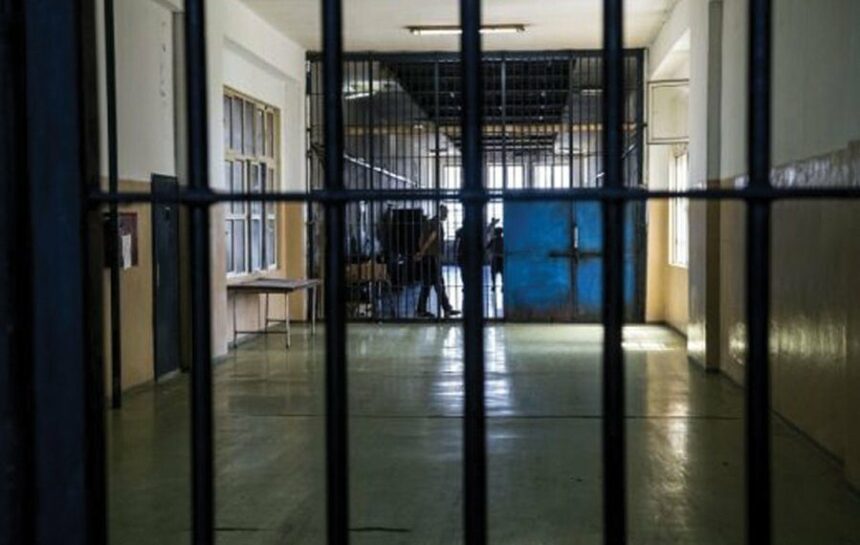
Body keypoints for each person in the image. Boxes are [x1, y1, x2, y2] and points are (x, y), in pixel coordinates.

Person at [414, 205, 460, 319]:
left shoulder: (428, 223)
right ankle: (443, 309)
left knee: (432, 284)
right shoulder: (436, 223)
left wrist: (421, 251)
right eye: (446, 213)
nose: (447, 215)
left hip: (428, 257)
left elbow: (421, 238)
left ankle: (444, 308)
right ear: (441, 212)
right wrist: (423, 252)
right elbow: (432, 237)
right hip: (433, 257)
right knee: (435, 284)